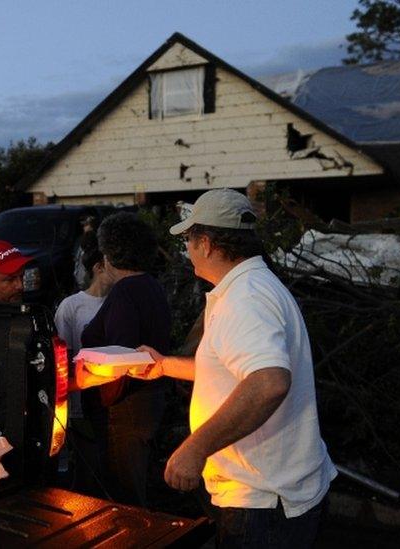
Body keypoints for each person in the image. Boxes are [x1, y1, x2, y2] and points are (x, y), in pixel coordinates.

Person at [132, 189, 336, 549]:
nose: (187, 249)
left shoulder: (246, 298)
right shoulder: (249, 287)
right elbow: (234, 371)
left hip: (263, 503)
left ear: (207, 243)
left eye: (189, 240)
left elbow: (269, 381)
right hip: (271, 497)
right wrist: (164, 366)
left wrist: (195, 448)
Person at [72, 212, 171, 508]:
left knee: (122, 495)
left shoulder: (126, 292)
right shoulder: (151, 286)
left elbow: (120, 356)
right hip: (148, 401)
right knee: (134, 485)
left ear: (109, 255)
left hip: (124, 409)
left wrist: (100, 399)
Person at [53, 232, 111, 476]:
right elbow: (61, 355)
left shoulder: (118, 301)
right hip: (80, 398)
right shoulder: (72, 306)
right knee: (87, 460)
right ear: (98, 267)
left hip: (108, 397)